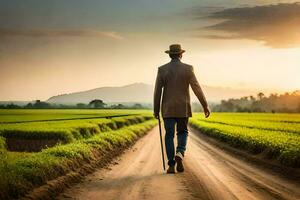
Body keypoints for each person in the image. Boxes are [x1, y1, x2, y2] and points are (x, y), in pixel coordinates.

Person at [153, 44, 210, 174]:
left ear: (169, 55)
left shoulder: (162, 69)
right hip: (183, 108)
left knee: (169, 135)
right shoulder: (188, 69)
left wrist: (156, 109)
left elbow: (157, 91)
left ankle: (171, 164)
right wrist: (205, 105)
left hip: (167, 109)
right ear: (181, 54)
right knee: (183, 132)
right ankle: (180, 152)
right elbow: (197, 87)